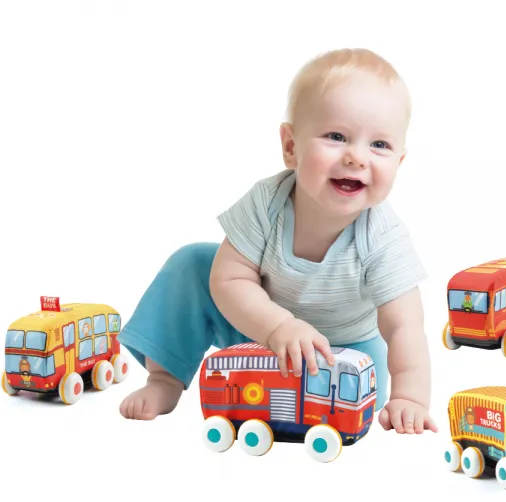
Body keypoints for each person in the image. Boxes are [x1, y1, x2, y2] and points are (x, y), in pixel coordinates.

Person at [118, 48, 437, 435]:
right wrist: (278, 327)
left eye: (380, 145)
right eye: (336, 137)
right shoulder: (267, 203)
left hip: (344, 353)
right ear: (290, 147)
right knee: (194, 262)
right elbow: (229, 280)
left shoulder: (383, 236)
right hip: (259, 326)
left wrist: (410, 398)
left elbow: (404, 327)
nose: (357, 157)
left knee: (348, 398)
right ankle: (165, 377)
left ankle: (307, 411)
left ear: (399, 163)